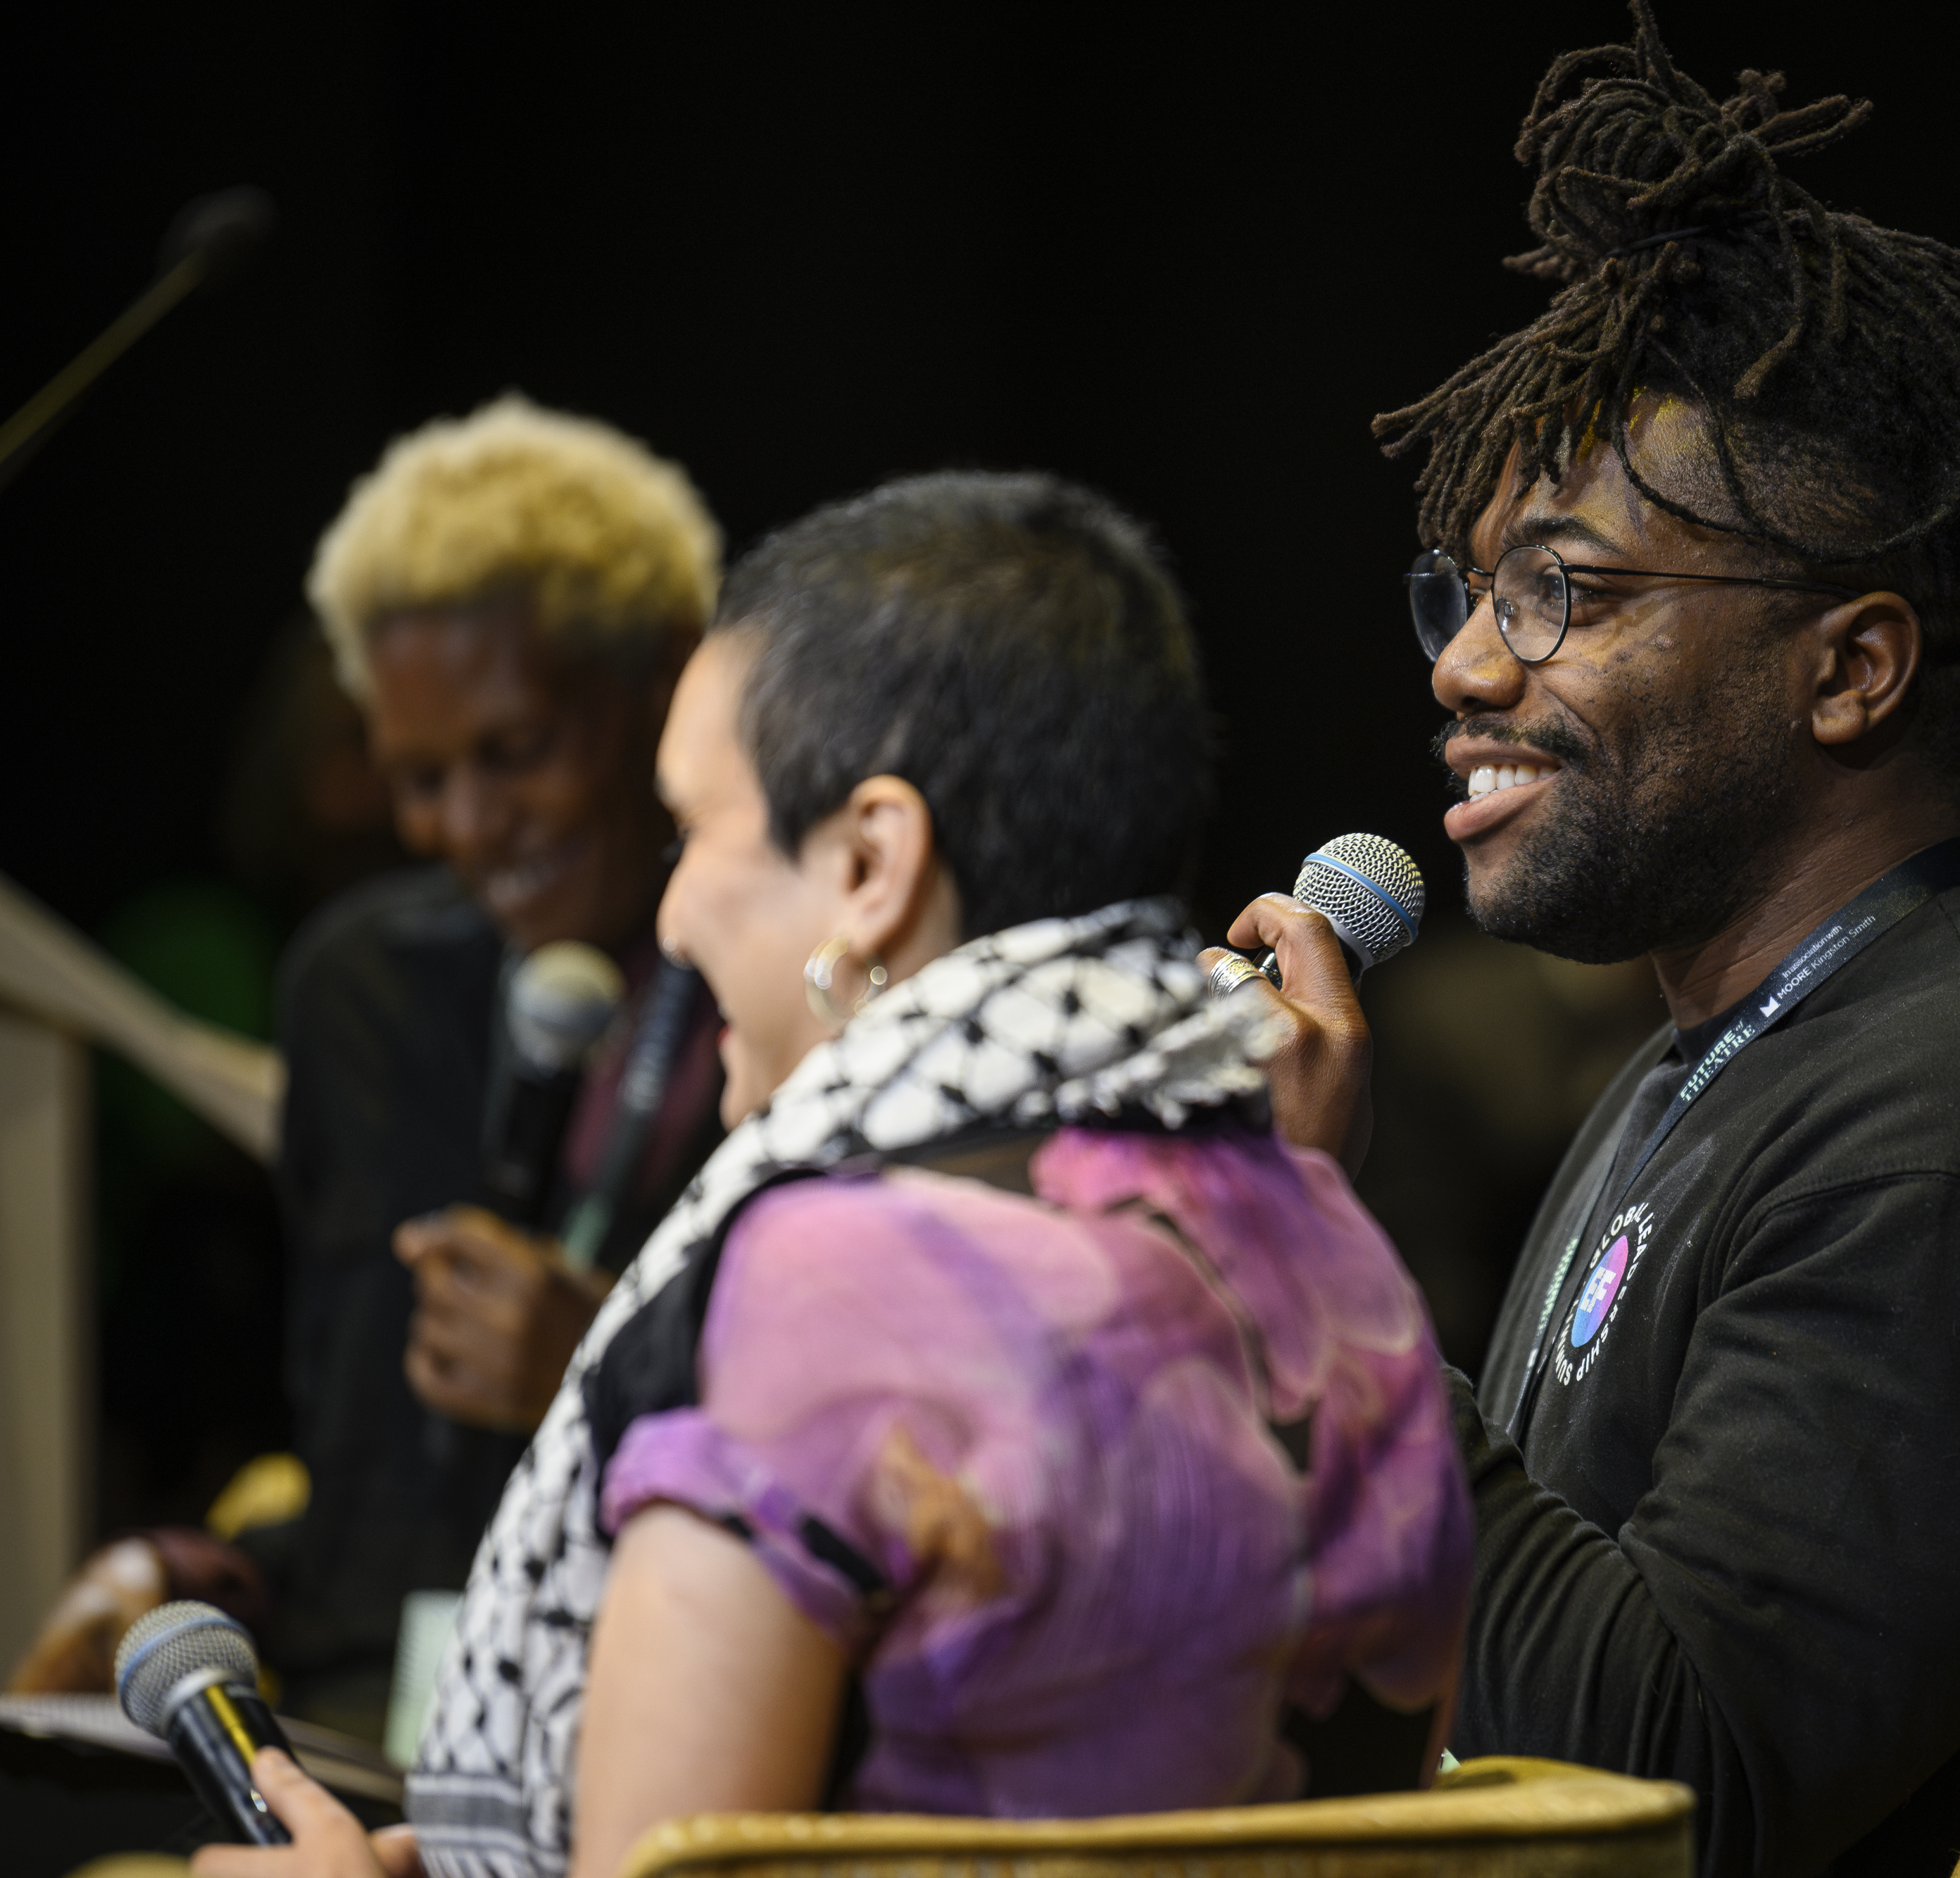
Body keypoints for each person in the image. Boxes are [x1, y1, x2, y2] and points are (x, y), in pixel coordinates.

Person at [1217, 10, 1960, 1874]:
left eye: (1565, 591)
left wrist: (1309, 1257)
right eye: (1471, 596)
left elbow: (1673, 1781)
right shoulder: (1716, 1058)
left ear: (1853, 666)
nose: (1466, 667)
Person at [197, 470, 1471, 1878]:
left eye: (697, 832)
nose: (673, 917)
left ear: (870, 861)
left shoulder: (820, 1282)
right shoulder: (1341, 1253)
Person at [6, 398, 729, 1730]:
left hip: (668, 1719)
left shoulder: (784, 991)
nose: (464, 827)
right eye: (418, 777)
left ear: (667, 686)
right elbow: (373, 1492)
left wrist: (606, 1366)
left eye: (515, 752)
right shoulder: (364, 991)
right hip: (374, 1720)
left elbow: (871, 1475)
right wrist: (187, 1571)